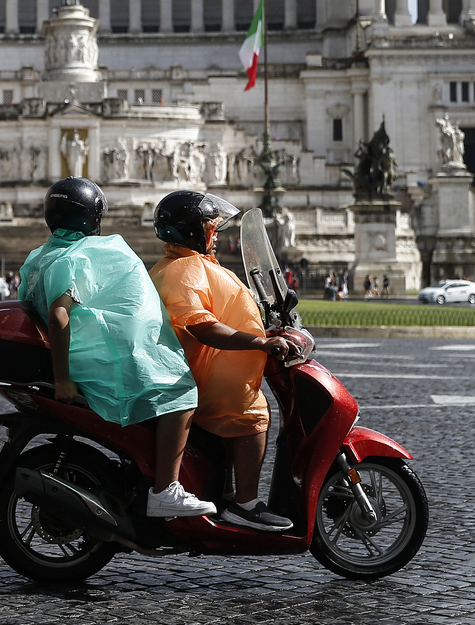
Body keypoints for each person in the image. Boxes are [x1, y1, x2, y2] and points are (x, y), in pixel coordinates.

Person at [19, 177, 213, 519]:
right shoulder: (78, 257)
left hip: (73, 354)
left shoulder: (40, 256)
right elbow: (58, 315)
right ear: (91, 218)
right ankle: (165, 490)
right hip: (87, 364)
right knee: (181, 393)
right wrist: (64, 380)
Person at [149, 190, 295, 532]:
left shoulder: (185, 264)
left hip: (204, 368)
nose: (217, 237)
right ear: (192, 232)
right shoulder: (184, 269)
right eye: (211, 229)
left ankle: (224, 492)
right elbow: (201, 325)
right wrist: (259, 342)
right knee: (251, 414)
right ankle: (244, 504)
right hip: (201, 374)